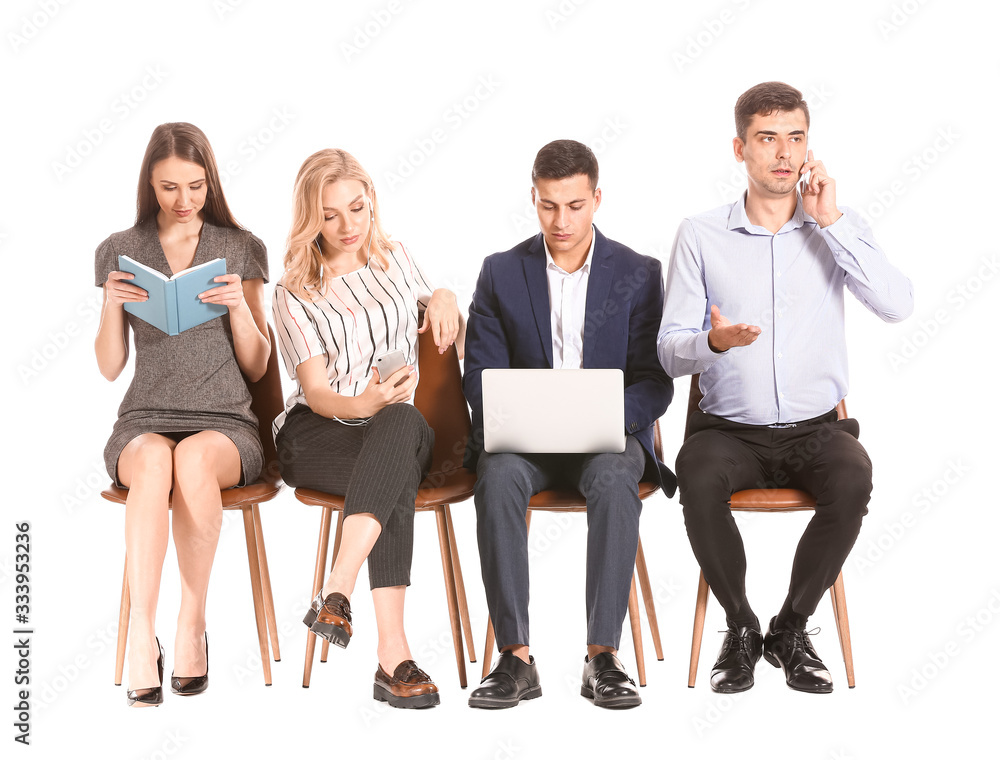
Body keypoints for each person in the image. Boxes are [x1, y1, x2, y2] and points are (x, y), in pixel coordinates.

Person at [658, 81, 914, 694]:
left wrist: (832, 222)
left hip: (816, 429)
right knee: (696, 479)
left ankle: (791, 628)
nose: (783, 154)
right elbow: (669, 353)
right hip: (729, 432)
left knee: (854, 477)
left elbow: (898, 305)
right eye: (767, 138)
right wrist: (713, 343)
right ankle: (741, 628)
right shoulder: (699, 234)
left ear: (808, 148)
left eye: (795, 138)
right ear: (740, 148)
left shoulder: (835, 226)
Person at [463, 139, 675, 710]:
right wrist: (508, 416)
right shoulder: (501, 272)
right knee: (497, 475)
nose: (562, 220)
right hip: (524, 443)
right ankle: (515, 658)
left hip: (605, 438)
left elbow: (654, 381)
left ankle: (602, 656)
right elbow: (479, 375)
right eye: (549, 205)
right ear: (533, 199)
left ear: (596, 199)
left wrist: (608, 415)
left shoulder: (637, 272)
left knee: (613, 478)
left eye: (575, 206)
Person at [272, 148, 463, 709]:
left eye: (357, 208)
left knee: (399, 427)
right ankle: (393, 658)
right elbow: (316, 392)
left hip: (397, 425)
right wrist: (362, 402)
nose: (349, 226)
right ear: (312, 219)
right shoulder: (294, 291)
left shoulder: (396, 259)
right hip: (321, 431)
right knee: (393, 463)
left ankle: (337, 590)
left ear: (371, 201)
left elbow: (434, 299)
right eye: (331, 215)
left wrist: (447, 294)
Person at [95, 122, 271, 707]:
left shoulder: (240, 247)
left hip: (224, 421)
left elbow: (256, 364)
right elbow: (109, 366)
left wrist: (236, 308)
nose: (184, 200)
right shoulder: (120, 248)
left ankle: (190, 622)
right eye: (170, 187)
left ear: (210, 181)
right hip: (144, 414)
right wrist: (112, 305)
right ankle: (142, 638)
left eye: (195, 186)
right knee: (151, 461)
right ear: (150, 182)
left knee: (191, 458)